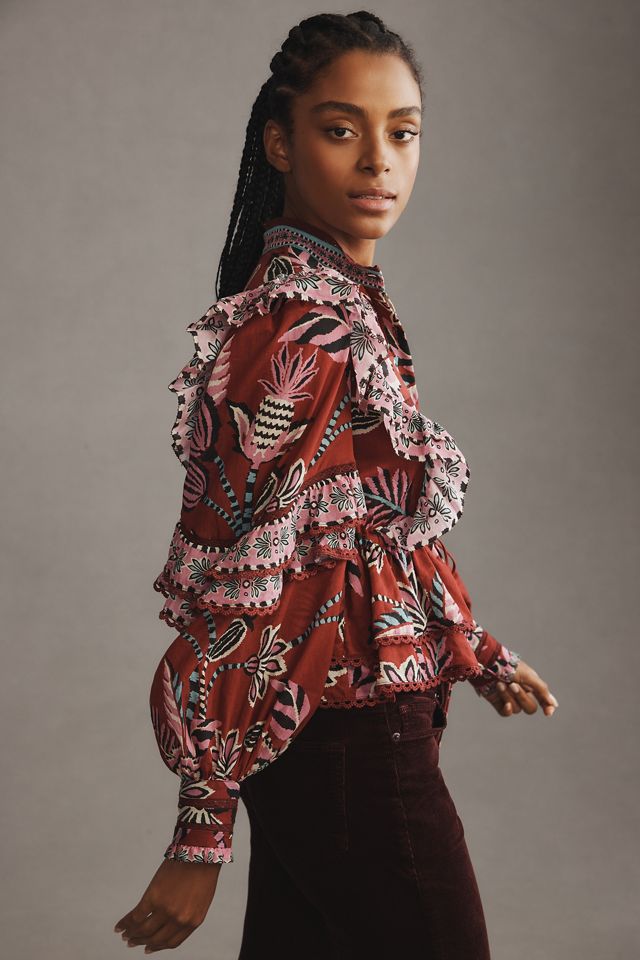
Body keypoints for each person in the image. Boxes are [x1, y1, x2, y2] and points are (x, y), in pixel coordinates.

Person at [114, 10, 559, 957]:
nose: (378, 162)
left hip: (328, 730)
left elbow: (364, 536)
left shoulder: (336, 308)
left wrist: (470, 646)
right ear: (281, 143)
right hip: (347, 740)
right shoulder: (304, 329)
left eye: (403, 132)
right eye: (341, 128)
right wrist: (201, 827)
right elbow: (245, 582)